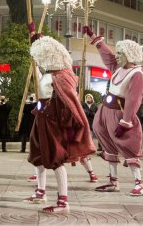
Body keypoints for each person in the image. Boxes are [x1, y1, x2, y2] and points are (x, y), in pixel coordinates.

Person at [24, 36, 95, 214]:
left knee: (55, 158)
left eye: (41, 56)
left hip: (51, 122)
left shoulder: (61, 75)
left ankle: (63, 202)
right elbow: (42, 84)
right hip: (40, 118)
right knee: (37, 155)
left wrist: (69, 125)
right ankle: (41, 192)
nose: (39, 59)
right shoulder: (50, 73)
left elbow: (71, 103)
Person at [83, 25, 143, 196]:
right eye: (118, 53)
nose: (117, 56)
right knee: (108, 146)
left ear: (129, 55)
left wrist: (126, 122)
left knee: (127, 146)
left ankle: (139, 184)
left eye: (120, 54)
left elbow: (134, 100)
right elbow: (108, 56)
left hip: (120, 114)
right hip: (105, 110)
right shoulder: (118, 67)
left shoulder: (137, 74)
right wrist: (95, 39)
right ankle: (113, 181)